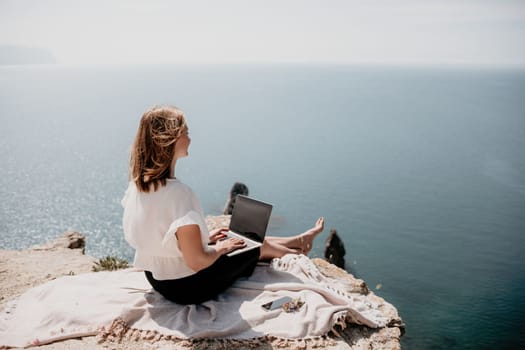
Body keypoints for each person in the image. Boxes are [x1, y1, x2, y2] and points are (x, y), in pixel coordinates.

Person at [122, 105, 324, 304]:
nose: (190, 138)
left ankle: (297, 240)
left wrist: (205, 240)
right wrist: (220, 248)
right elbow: (197, 262)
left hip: (157, 278)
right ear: (170, 140)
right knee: (249, 244)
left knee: (240, 237)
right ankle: (298, 255)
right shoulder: (180, 194)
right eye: (186, 132)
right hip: (188, 287)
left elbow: (158, 235)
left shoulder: (138, 187)